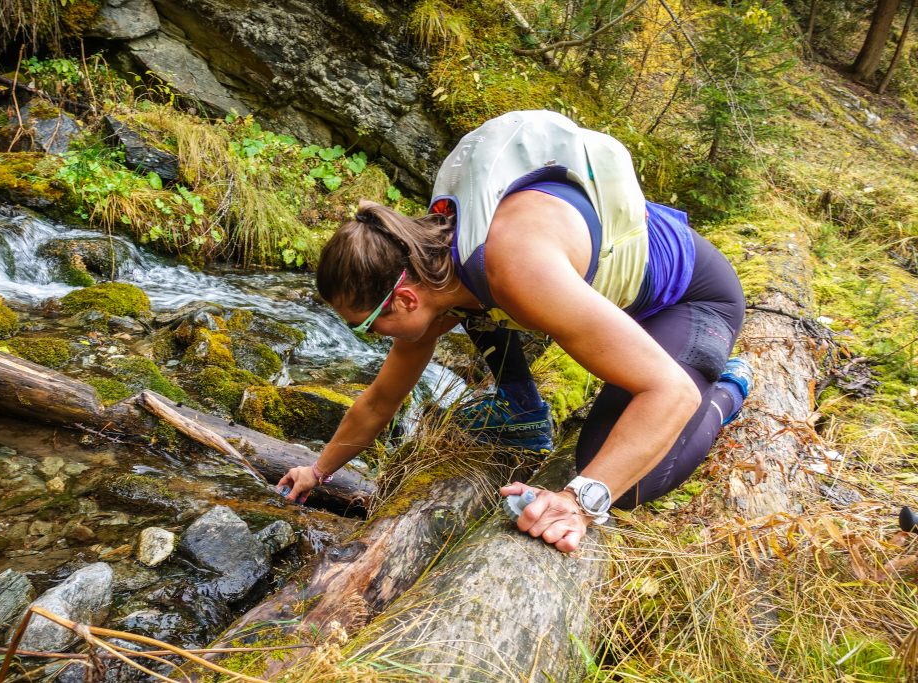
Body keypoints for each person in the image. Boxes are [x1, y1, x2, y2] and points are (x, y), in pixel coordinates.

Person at [278, 110, 752, 553]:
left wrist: (578, 501)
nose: (372, 335)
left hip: (692, 298)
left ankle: (726, 385)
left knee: (630, 480)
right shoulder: (434, 269)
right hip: (615, 302)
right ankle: (523, 412)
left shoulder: (517, 268)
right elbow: (381, 400)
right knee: (474, 308)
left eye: (365, 324)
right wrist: (317, 472)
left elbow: (669, 392)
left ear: (403, 298)